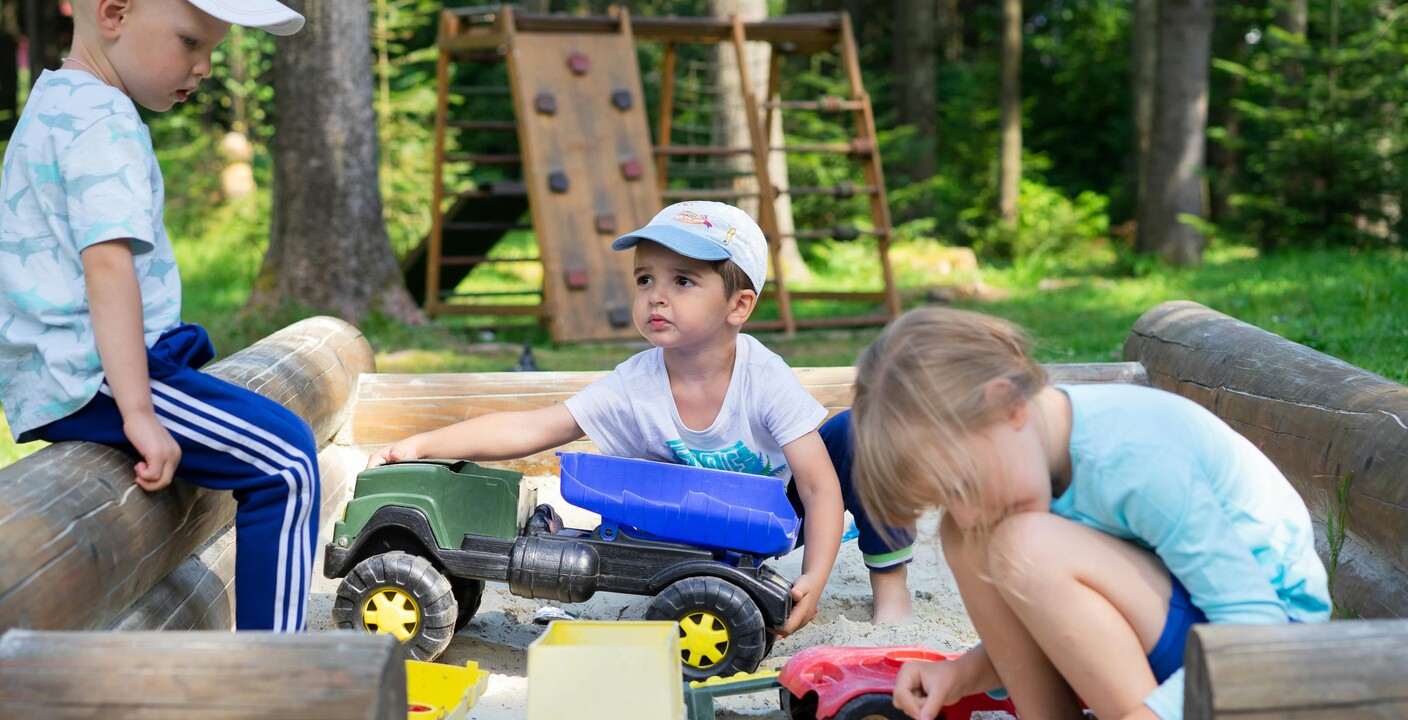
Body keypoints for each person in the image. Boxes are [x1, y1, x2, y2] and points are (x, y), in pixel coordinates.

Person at [0, 0, 317, 632]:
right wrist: (139, 413)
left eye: (213, 49)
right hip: (92, 374)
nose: (205, 66)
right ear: (113, 13)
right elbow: (107, 265)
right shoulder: (101, 117)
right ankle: (276, 680)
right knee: (289, 462)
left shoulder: (60, 98)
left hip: (76, 364)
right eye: (191, 41)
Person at [368, 201, 843, 636]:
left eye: (683, 281)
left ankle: (890, 576)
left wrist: (814, 578)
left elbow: (819, 488)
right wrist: (422, 445)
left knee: (850, 437)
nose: (656, 296)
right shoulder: (636, 382)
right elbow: (534, 427)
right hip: (677, 529)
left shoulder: (764, 380)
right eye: (644, 279)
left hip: (763, 520)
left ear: (738, 306)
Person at [848, 306, 1331, 720]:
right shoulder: (1026, 462)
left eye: (965, 484)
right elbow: (1060, 628)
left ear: (1008, 405)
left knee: (1026, 547)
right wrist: (959, 676)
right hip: (1183, 641)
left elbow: (1255, 628)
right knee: (966, 538)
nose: (967, 512)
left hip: (1267, 654)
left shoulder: (1135, 459)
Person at [819, 410, 918, 624]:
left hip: (777, 498)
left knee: (865, 427)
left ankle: (890, 583)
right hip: (729, 524)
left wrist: (812, 580)